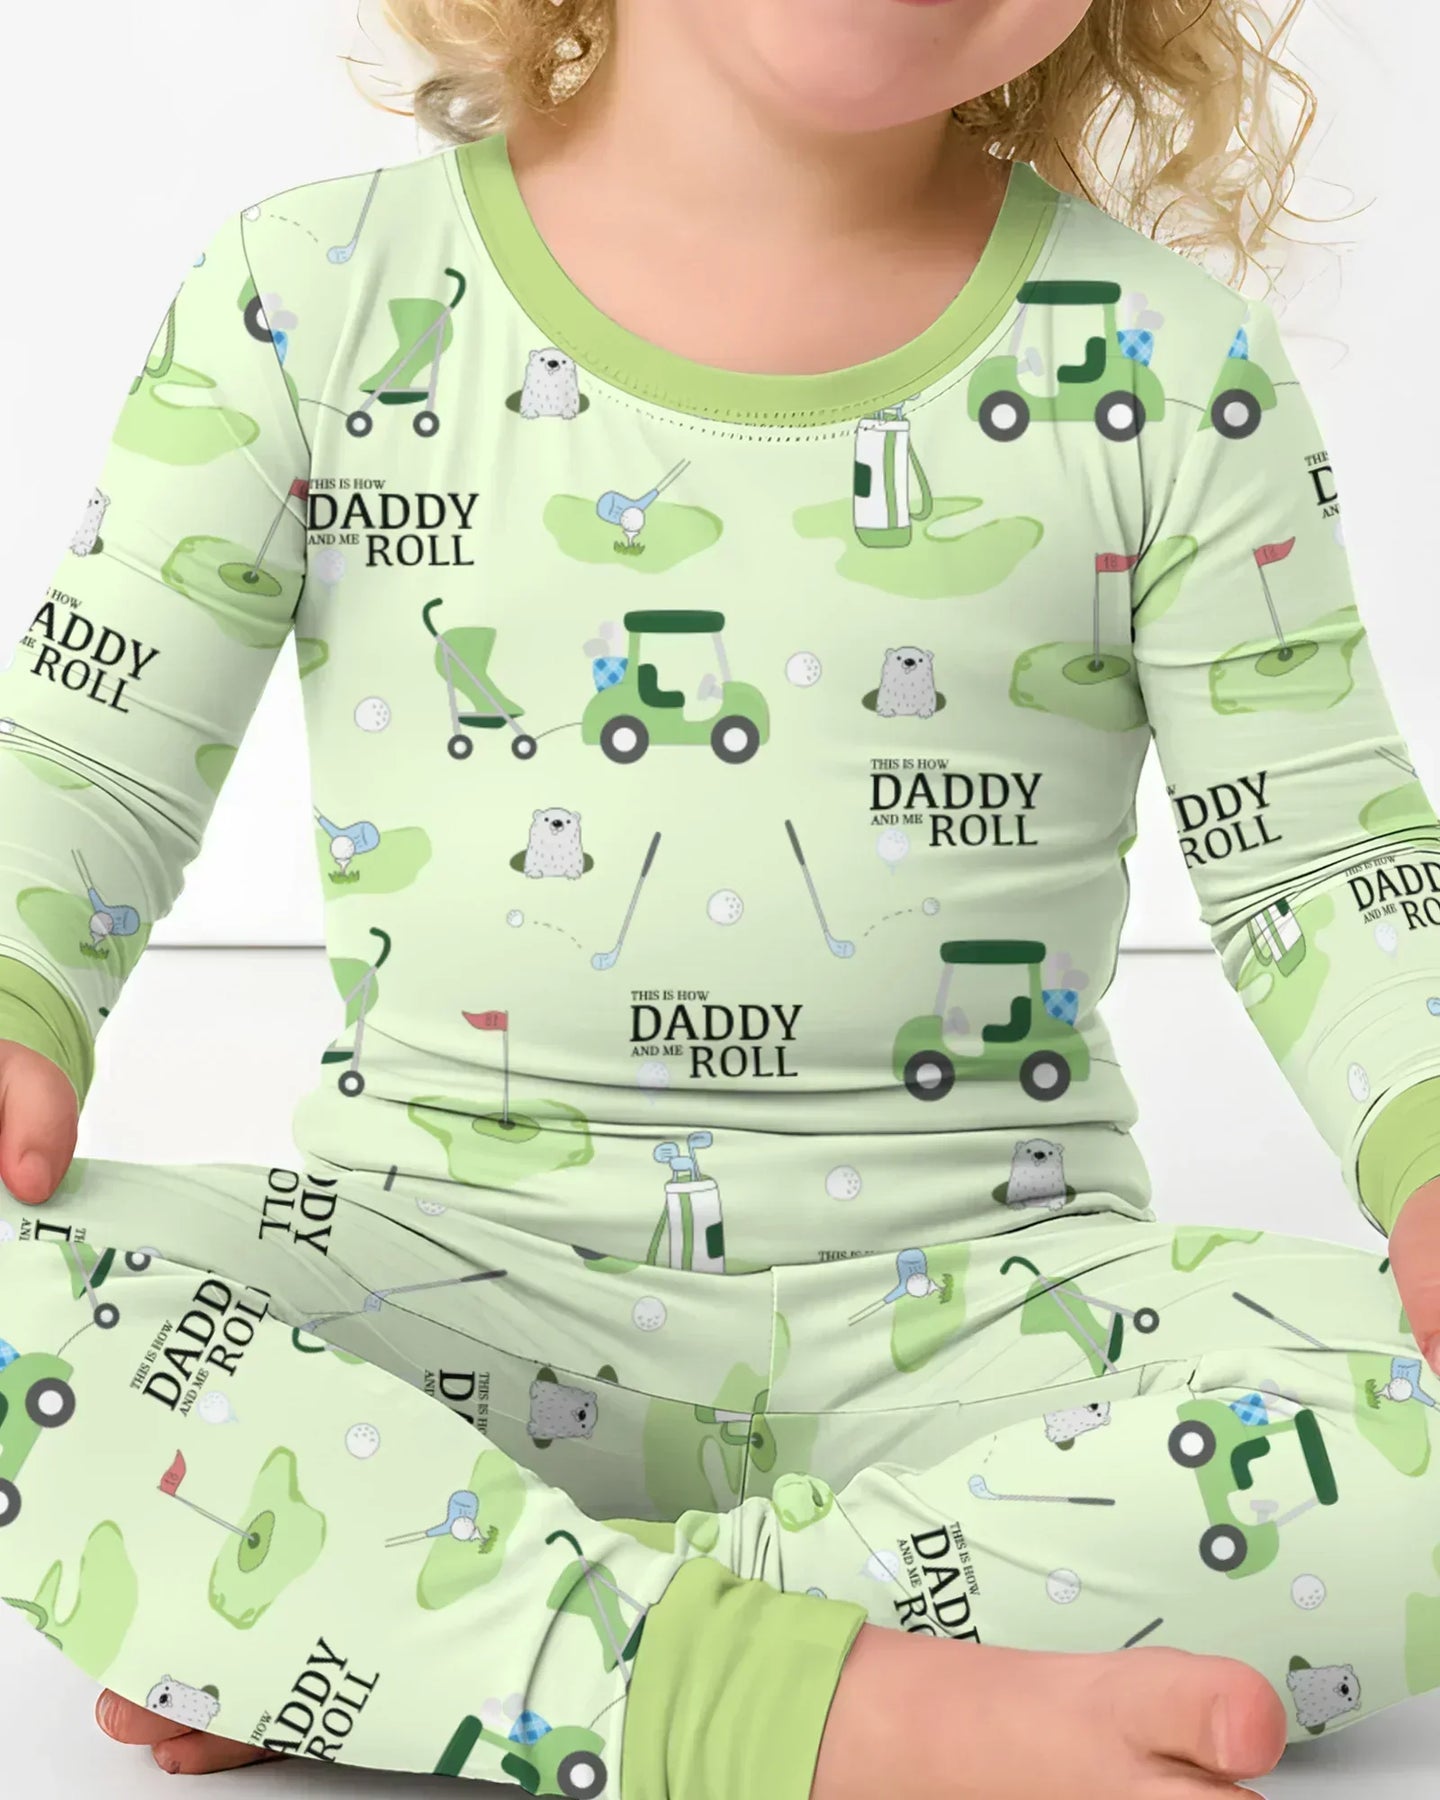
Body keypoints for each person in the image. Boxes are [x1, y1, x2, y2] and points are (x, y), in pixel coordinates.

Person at [1, 2, 1438, 1796]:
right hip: (437, 1284)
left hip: (992, 1315)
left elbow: (1319, 850)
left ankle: (425, 1628)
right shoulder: (310, 290)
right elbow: (91, 748)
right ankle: (798, 1691)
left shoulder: (1163, 356)